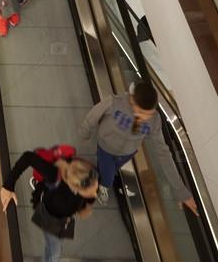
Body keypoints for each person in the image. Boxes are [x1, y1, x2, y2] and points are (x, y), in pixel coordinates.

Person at [80, 80, 198, 214]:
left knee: (111, 169)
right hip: (105, 147)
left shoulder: (155, 120)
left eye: (149, 113)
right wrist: (85, 132)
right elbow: (93, 116)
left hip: (127, 152)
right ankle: (104, 185)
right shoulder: (114, 102)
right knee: (108, 177)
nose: (144, 118)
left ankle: (103, 173)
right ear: (132, 101)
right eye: (141, 112)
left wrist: (181, 191)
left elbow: (163, 153)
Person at [1, 152, 98, 262]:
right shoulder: (56, 180)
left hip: (56, 203)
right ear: (75, 187)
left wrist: (86, 203)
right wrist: (8, 186)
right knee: (54, 253)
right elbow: (28, 157)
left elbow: (89, 193)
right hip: (52, 217)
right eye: (91, 191)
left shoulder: (86, 175)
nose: (95, 194)